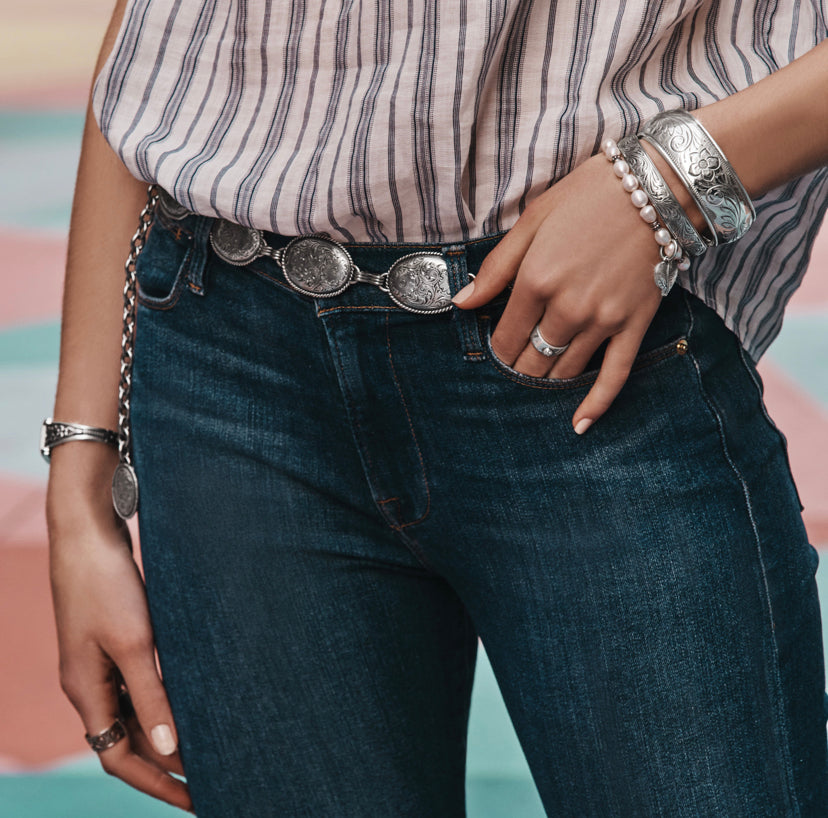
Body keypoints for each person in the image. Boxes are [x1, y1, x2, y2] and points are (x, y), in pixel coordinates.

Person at [45, 0, 828, 815]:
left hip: (590, 358)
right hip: (231, 368)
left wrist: (671, 184)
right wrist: (80, 475)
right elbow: (160, 38)